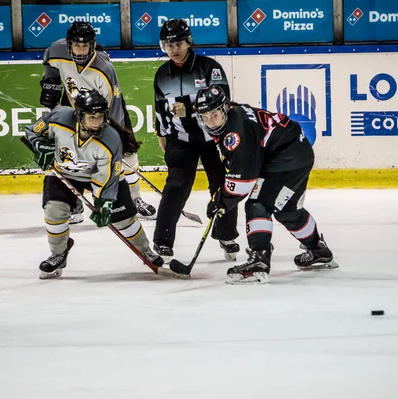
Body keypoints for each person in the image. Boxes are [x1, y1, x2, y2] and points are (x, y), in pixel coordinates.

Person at [194, 85, 338, 285]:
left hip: (288, 158)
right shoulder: (234, 115)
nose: (210, 121)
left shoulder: (235, 134)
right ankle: (318, 250)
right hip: (294, 151)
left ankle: (259, 261)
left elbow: (243, 183)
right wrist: (222, 198)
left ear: (225, 108)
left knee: (257, 203)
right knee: (287, 210)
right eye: (205, 117)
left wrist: (221, 201)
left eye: (214, 115)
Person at [24, 90, 164, 279]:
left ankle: (145, 250)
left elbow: (106, 177)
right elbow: (33, 130)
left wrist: (104, 202)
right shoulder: (59, 117)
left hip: (96, 176)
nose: (97, 122)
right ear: (79, 115)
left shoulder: (111, 139)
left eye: (100, 117)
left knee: (122, 218)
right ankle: (58, 254)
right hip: (64, 172)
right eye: (91, 117)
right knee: (54, 212)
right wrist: (40, 145)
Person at [40, 21, 156, 223]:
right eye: (76, 45)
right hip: (74, 109)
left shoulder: (104, 69)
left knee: (128, 155)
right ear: (69, 44)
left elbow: (115, 109)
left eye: (85, 45)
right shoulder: (57, 48)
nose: (81, 50)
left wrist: (112, 135)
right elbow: (49, 59)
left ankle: (135, 199)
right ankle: (74, 205)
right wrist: (51, 81)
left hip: (106, 113)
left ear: (93, 45)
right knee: (69, 155)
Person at [152, 19, 239, 262]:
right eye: (168, 45)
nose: (173, 49)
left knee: (223, 185)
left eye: (178, 43)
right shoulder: (162, 74)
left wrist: (190, 109)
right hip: (180, 139)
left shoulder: (209, 67)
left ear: (188, 42)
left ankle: (226, 235)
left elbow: (223, 99)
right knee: (176, 187)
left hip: (215, 138)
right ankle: (162, 240)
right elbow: (159, 107)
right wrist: (161, 132)